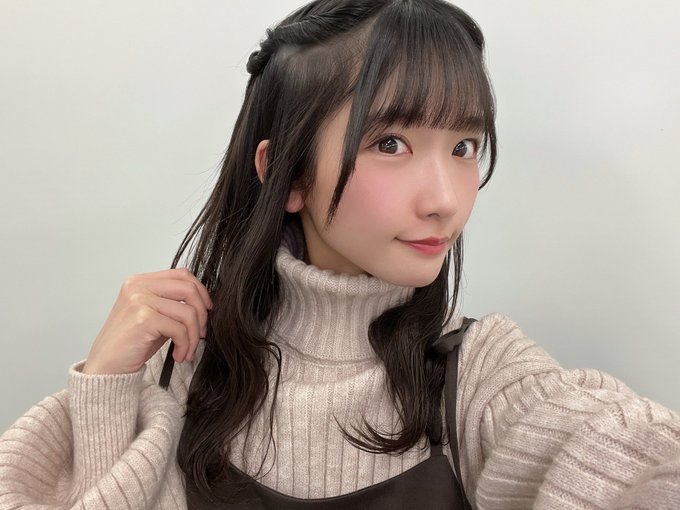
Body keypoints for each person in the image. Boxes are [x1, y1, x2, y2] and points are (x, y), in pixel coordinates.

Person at [1, 0, 679, 508]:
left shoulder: (479, 375)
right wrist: (106, 387)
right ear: (288, 175)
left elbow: (628, 462)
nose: (446, 199)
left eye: (464, 147)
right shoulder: (185, 365)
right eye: (390, 144)